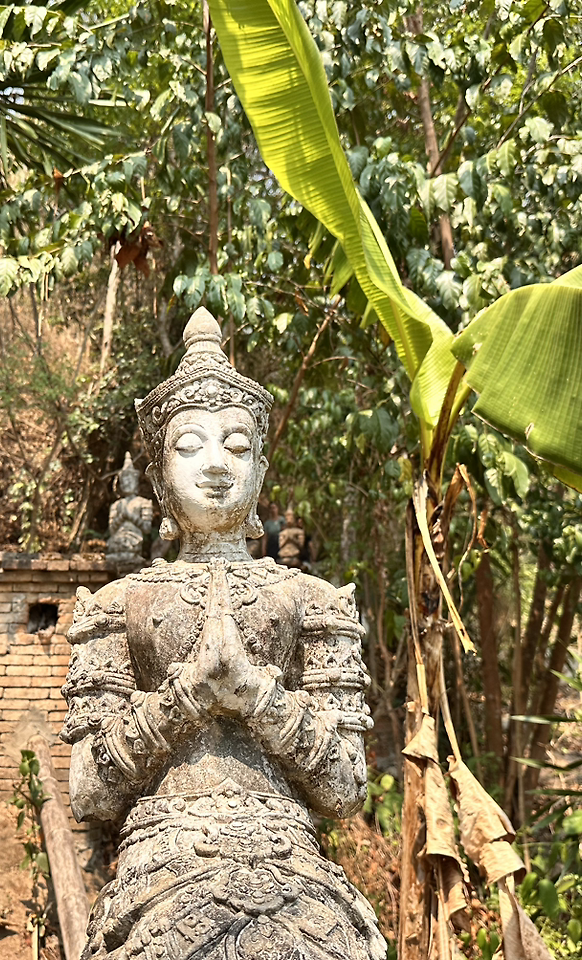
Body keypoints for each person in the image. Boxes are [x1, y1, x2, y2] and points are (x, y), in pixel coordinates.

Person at [62, 308, 384, 960]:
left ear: (261, 470)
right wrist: (184, 698)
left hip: (295, 871)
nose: (215, 465)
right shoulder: (117, 604)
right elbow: (88, 792)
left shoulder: (314, 600)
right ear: (158, 476)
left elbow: (347, 789)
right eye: (189, 446)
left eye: (236, 447)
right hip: (160, 866)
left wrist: (256, 696)